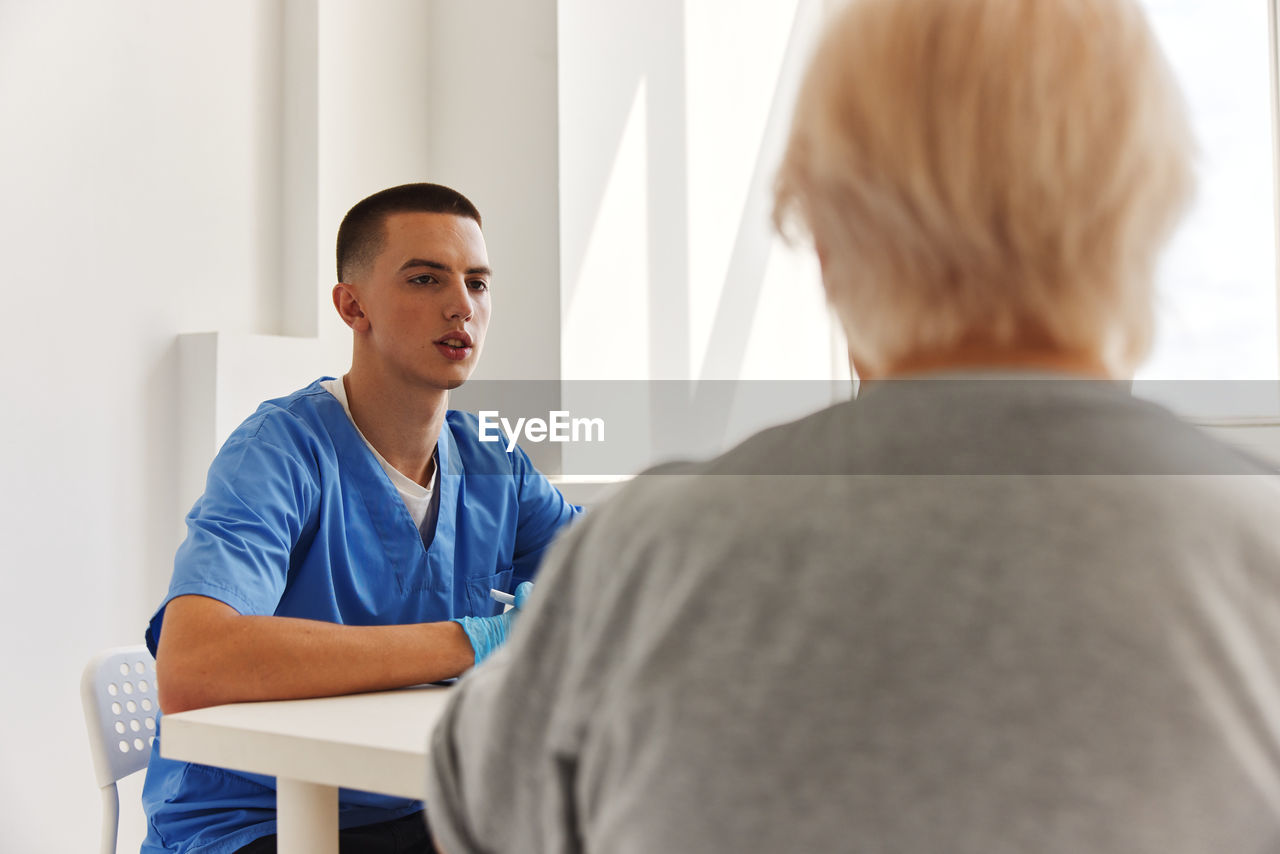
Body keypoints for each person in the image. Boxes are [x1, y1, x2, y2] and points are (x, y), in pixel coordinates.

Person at [423, 1, 1280, 852]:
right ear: (1147, 223)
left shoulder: (645, 554)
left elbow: (477, 796)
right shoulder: (1259, 555)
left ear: (826, 240)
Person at [140, 183, 581, 854]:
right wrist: (479, 641)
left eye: (478, 283)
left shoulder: (493, 461)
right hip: (257, 817)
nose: (461, 305)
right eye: (426, 278)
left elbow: (610, 564)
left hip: (419, 799)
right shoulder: (281, 453)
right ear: (353, 305)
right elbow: (193, 664)